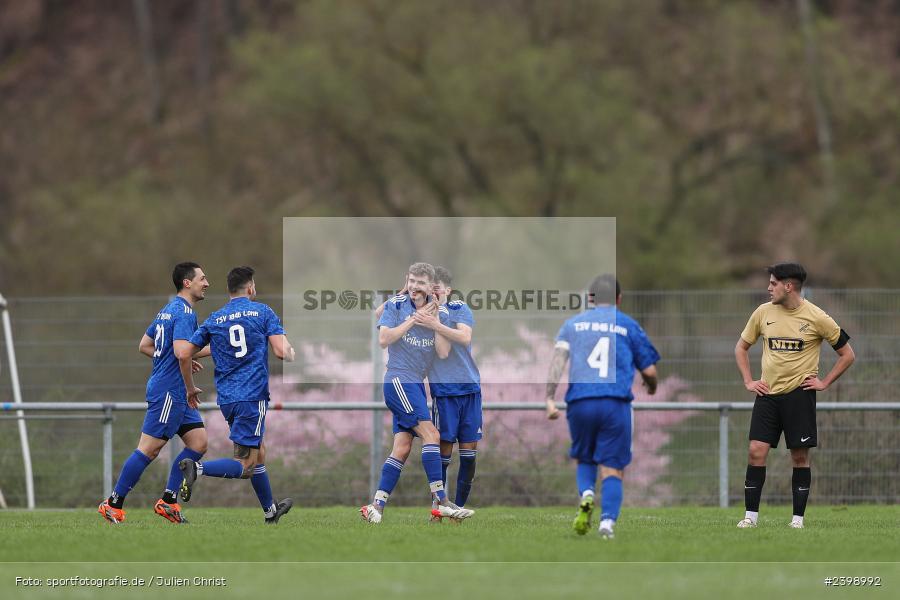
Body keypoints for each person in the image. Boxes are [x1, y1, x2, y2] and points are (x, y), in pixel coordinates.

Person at [735, 262, 854, 529]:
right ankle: (750, 518)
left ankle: (797, 520)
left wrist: (823, 382)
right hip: (767, 395)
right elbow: (741, 348)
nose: (768, 288)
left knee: (799, 458)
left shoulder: (817, 317)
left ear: (788, 286)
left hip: (799, 397)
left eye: (773, 283)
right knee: (756, 451)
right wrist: (748, 381)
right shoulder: (762, 313)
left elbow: (847, 355)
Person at [177, 266, 295, 524]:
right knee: (245, 464)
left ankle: (270, 512)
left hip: (228, 399)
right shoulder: (262, 312)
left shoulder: (216, 318)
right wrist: (290, 351)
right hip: (252, 397)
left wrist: (192, 381)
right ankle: (197, 469)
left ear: (229, 290)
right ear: (250, 287)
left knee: (258, 451)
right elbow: (280, 351)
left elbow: (186, 352)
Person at [546, 275, 659, 539]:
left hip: (580, 402)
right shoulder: (628, 325)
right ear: (619, 299)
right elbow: (650, 370)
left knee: (585, 458)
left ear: (590, 299)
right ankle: (606, 525)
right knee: (612, 467)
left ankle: (586, 495)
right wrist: (651, 385)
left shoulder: (572, 325)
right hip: (614, 403)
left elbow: (557, 361)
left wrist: (549, 397)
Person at [360, 262, 474, 524]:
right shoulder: (398, 306)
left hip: (415, 386)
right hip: (398, 380)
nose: (414, 286)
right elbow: (384, 339)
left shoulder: (440, 314)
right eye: (411, 281)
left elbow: (443, 352)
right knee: (432, 434)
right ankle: (442, 501)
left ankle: (376, 505)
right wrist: (413, 320)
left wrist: (434, 323)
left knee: (401, 447)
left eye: (420, 282)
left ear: (431, 288)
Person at [98, 262, 211, 524]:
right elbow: (182, 351)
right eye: (202, 279)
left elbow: (145, 345)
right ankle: (113, 504)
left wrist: (180, 357)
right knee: (149, 449)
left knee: (198, 443)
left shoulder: (167, 310)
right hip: (170, 392)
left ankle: (168, 501)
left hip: (173, 391)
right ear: (187, 282)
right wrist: (190, 384)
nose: (207, 283)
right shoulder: (184, 312)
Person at [427, 267, 482, 514]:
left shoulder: (461, 309)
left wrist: (437, 323)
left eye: (438, 286)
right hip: (445, 392)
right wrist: (434, 319)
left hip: (470, 390)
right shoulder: (422, 315)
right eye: (431, 286)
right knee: (444, 455)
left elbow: (465, 338)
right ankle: (438, 507)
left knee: (469, 457)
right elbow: (442, 352)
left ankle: (458, 510)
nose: (434, 290)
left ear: (448, 290)